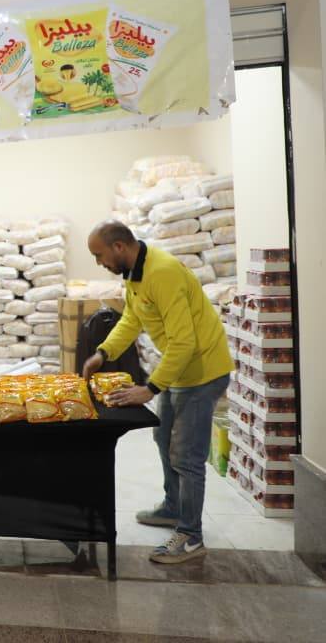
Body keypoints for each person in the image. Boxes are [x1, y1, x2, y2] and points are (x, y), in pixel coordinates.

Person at [82, 221, 233, 564]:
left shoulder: (162, 273)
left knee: (186, 455)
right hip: (180, 370)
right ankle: (173, 507)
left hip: (202, 372)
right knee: (162, 437)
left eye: (99, 255)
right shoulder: (136, 274)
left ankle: (191, 536)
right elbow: (131, 320)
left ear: (119, 247)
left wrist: (149, 389)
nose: (98, 262)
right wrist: (103, 353)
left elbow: (184, 342)